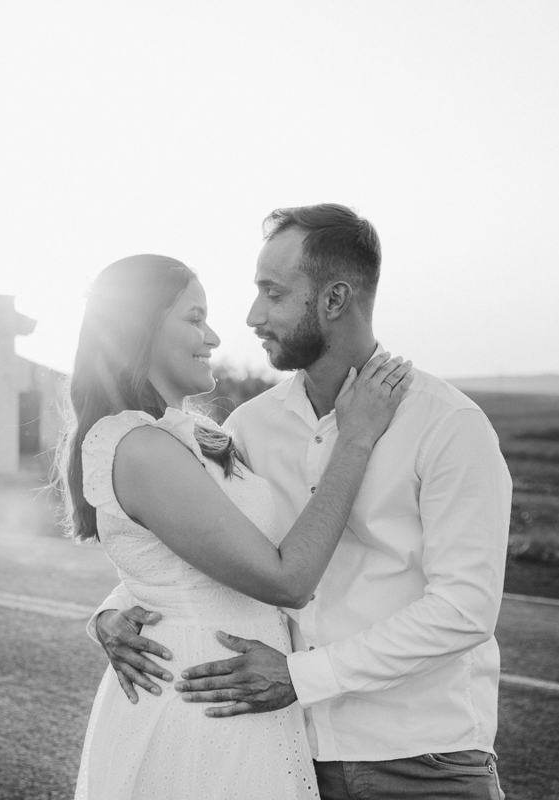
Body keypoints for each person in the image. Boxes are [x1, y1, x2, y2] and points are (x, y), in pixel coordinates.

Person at [92, 205, 512, 800]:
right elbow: (204, 540)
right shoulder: (249, 427)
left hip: (422, 760)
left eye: (274, 293)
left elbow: (465, 609)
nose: (252, 315)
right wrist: (113, 611)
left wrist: (300, 677)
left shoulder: (447, 424)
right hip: (286, 756)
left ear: (335, 299)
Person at [59, 252, 413, 799]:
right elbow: (287, 581)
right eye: (194, 318)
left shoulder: (186, 435)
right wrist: (357, 437)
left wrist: (110, 612)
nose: (214, 336)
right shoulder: (142, 446)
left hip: (232, 692)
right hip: (201, 703)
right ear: (140, 329)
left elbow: (181, 555)